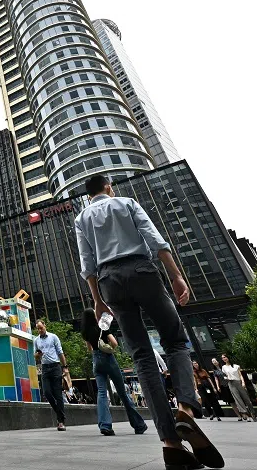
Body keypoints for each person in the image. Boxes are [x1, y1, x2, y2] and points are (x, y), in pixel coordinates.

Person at [76, 174, 222, 470]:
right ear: (108, 187)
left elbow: (86, 260)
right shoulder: (126, 203)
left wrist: (97, 299)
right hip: (141, 270)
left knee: (141, 354)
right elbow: (155, 240)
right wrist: (176, 274)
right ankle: (185, 410)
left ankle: (170, 443)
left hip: (108, 281)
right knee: (175, 340)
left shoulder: (81, 218)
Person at [81, 308, 148, 436]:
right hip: (108, 359)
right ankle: (138, 425)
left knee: (101, 392)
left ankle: (105, 425)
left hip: (96, 360)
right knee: (122, 391)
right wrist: (108, 349)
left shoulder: (85, 332)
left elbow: (89, 349)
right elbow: (115, 343)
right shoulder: (103, 328)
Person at [33, 319, 71, 431]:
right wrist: (37, 354)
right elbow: (35, 356)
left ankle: (61, 421)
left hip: (55, 367)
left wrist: (65, 367)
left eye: (41, 327)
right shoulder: (36, 340)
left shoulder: (53, 337)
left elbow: (60, 352)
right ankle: (61, 414)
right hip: (45, 368)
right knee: (47, 393)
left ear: (45, 326)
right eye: (38, 328)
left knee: (58, 394)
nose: (39, 330)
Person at [220, 354, 256, 422]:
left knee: (246, 399)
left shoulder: (236, 366)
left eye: (225, 357)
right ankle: (246, 414)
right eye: (222, 358)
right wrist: (226, 378)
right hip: (231, 383)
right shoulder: (223, 367)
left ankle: (252, 412)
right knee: (238, 400)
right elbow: (225, 376)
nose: (224, 359)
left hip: (239, 382)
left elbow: (240, 375)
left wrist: (243, 382)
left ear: (228, 357)